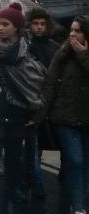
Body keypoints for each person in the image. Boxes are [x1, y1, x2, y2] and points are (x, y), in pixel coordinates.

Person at [0, 3, 40, 212]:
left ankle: (18, 202)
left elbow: (38, 82)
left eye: (5, 24)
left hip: (19, 115)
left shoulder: (29, 49)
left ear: (17, 27)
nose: (0, 28)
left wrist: (36, 113)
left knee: (15, 163)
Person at [42, 15, 89, 214]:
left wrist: (83, 56)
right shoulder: (62, 54)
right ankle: (77, 206)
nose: (72, 34)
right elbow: (50, 82)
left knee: (85, 163)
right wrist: (42, 113)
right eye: (71, 29)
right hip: (64, 117)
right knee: (75, 159)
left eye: (77, 30)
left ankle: (78, 200)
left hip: (86, 118)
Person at [24, 7, 61, 199]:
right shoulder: (26, 46)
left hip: (52, 104)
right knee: (33, 146)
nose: (39, 27)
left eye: (42, 24)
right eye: (36, 24)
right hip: (32, 103)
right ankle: (36, 183)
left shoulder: (55, 48)